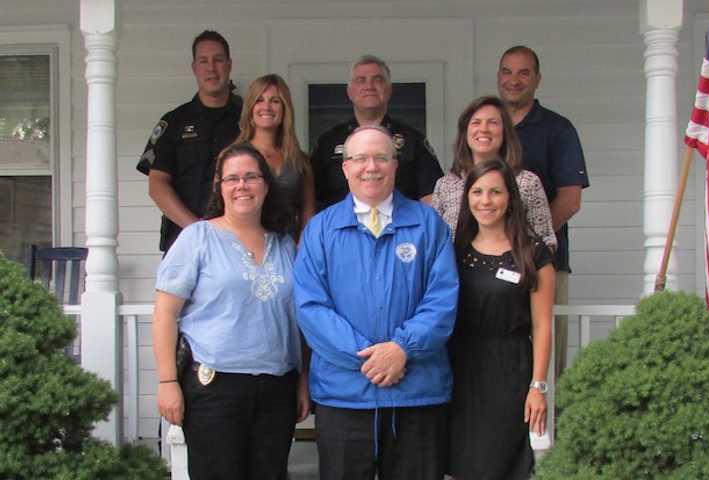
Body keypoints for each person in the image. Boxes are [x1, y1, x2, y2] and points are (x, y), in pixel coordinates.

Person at [294, 125, 458, 480]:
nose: (371, 166)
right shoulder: (320, 230)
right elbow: (311, 308)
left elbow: (442, 300)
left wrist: (401, 349)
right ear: (345, 168)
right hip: (345, 396)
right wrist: (369, 358)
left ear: (395, 165)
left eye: (381, 157)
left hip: (417, 394)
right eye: (360, 158)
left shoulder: (429, 224)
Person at [152, 143, 310, 480]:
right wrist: (167, 381)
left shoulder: (285, 244)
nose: (242, 186)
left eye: (251, 177)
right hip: (214, 390)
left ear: (266, 185)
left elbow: (300, 319)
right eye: (232, 178)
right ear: (219, 187)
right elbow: (165, 314)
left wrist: (302, 381)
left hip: (277, 388)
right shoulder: (198, 238)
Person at [448, 159, 554, 480]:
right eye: (477, 192)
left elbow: (543, 324)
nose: (486, 200)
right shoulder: (455, 251)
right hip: (461, 372)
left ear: (510, 198)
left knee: (504, 463)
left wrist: (538, 386)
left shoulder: (533, 253)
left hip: (511, 371)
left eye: (495, 191)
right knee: (464, 463)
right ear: (467, 198)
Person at [497, 45, 589, 376]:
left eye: (524, 72)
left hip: (544, 261)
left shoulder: (557, 129)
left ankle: (546, 427)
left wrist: (526, 245)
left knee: (546, 360)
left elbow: (569, 200)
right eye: (507, 71)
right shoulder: (486, 128)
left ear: (538, 79)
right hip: (489, 266)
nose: (514, 80)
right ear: (498, 77)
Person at [137, 30, 243, 252]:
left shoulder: (248, 119)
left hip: (238, 242)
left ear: (229, 65)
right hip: (183, 241)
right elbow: (157, 185)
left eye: (218, 60)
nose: (211, 68)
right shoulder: (173, 122)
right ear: (194, 68)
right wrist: (197, 230)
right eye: (203, 61)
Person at [311, 54, 444, 210]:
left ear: (389, 89)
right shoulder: (328, 142)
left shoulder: (413, 141)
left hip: (402, 230)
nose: (369, 86)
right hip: (339, 230)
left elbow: (431, 199)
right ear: (349, 91)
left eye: (377, 79)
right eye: (361, 80)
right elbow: (310, 200)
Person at [431, 96, 556, 250]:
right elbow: (434, 244)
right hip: (455, 273)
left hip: (513, 272)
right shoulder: (445, 185)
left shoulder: (527, 182)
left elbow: (545, 243)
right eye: (476, 122)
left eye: (493, 123)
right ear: (465, 132)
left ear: (505, 132)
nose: (483, 129)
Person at [235, 74, 315, 240]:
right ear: (250, 108)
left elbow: (308, 211)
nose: (267, 107)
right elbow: (220, 209)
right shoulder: (233, 157)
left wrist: (303, 246)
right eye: (259, 100)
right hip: (246, 248)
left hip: (290, 250)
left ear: (284, 109)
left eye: (275, 101)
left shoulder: (300, 160)